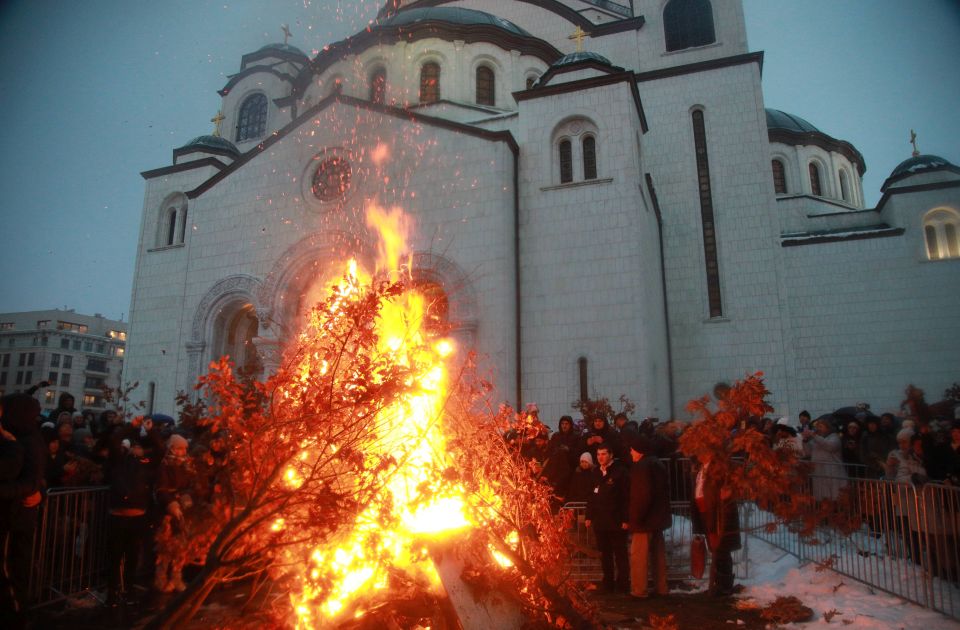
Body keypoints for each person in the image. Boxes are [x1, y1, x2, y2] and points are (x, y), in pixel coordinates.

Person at [0, 393, 45, 626]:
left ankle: (16, 618)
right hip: (13, 514)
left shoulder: (26, 441)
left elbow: (32, 480)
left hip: (15, 517)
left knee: (10, 570)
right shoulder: (15, 438)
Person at [689, 454, 741, 596]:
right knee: (714, 549)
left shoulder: (718, 467)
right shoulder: (701, 468)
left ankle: (725, 585)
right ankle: (718, 584)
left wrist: (726, 496)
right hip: (706, 513)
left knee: (721, 549)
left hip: (717, 514)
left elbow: (728, 487)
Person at [626, 437, 670, 599]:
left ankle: (639, 590)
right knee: (658, 556)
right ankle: (661, 588)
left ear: (639, 451)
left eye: (632, 449)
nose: (630, 452)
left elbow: (642, 495)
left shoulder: (641, 467)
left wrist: (636, 518)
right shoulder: (658, 464)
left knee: (639, 556)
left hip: (645, 521)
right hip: (658, 519)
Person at [584, 443, 629, 593]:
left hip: (616, 520)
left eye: (603, 454)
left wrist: (625, 519)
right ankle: (608, 583)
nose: (600, 457)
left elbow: (625, 497)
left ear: (610, 455)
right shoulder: (595, 472)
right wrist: (589, 516)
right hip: (601, 521)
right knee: (605, 554)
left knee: (620, 554)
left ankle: (623, 584)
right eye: (598, 454)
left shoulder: (620, 472)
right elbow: (591, 496)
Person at [154, 434, 193, 593]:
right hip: (167, 512)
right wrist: (171, 502)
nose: (182, 451)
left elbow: (191, 484)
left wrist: (187, 495)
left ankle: (176, 577)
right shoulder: (164, 465)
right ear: (171, 448)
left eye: (184, 448)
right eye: (178, 448)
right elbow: (161, 489)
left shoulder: (187, 465)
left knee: (180, 547)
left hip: (183, 509)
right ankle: (161, 579)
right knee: (165, 547)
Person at [802, 417, 847, 500]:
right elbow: (808, 452)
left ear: (828, 428)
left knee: (834, 494)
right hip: (819, 471)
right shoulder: (816, 439)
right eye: (817, 426)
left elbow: (830, 446)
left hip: (832, 471)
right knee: (821, 495)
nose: (818, 429)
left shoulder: (834, 437)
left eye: (821, 426)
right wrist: (805, 440)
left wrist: (814, 436)